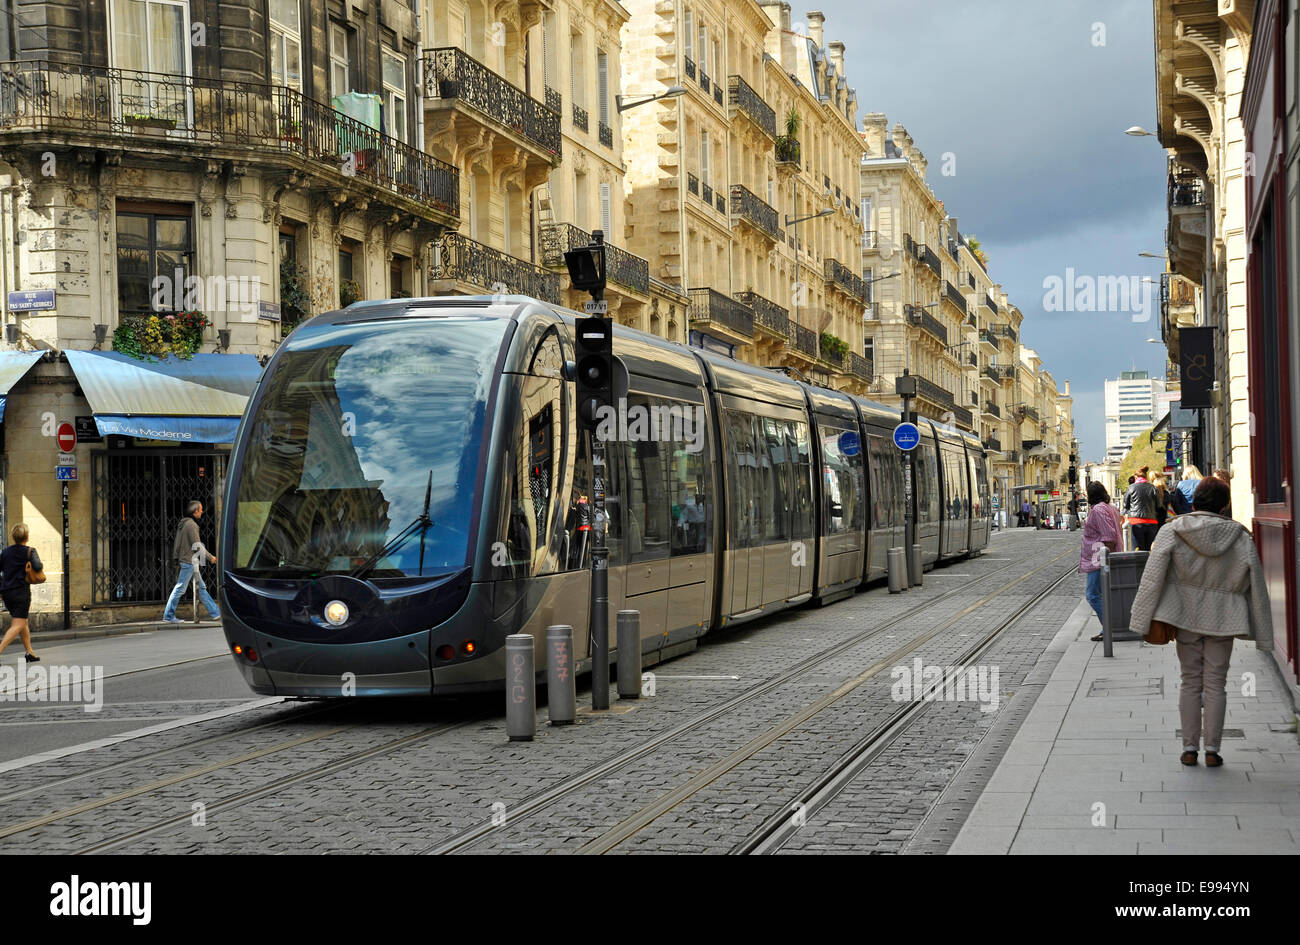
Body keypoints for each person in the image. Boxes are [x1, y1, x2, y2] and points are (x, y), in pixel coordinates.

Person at [1129, 477, 1273, 768]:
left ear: (1194, 502)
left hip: (1185, 614)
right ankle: (1213, 750)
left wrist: (1141, 617)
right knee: (1217, 684)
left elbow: (1152, 576)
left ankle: (1189, 748)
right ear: (1225, 506)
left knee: (1190, 680)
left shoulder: (1174, 531)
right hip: (1225, 616)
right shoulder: (1240, 537)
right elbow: (1256, 583)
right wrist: (1264, 633)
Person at [162, 500, 221, 623]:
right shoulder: (191, 525)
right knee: (180, 589)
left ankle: (216, 613)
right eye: (200, 509)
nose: (202, 511)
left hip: (188, 561)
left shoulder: (183, 524)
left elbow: (178, 545)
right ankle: (168, 616)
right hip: (189, 562)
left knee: (201, 588)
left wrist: (177, 558)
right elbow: (197, 545)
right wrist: (211, 558)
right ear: (195, 511)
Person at [1080, 482, 1122, 641]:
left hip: (1099, 558)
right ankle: (1107, 629)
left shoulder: (1098, 510)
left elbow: (1108, 535)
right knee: (1102, 594)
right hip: (1100, 557)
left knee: (1092, 595)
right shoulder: (1110, 507)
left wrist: (1106, 561)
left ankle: (1110, 627)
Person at [0, 524, 42, 662]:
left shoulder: (5, 552)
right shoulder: (30, 551)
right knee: (18, 624)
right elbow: (38, 566)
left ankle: (29, 652)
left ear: (13, 536)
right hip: (21, 592)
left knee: (22, 621)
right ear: (27, 537)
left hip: (6, 592)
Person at [1123, 466, 1159, 551]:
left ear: (1136, 477)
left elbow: (1126, 505)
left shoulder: (1131, 488)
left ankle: (1139, 564)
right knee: (1150, 550)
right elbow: (1158, 504)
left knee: (1138, 550)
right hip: (1151, 522)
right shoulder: (1153, 488)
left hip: (1136, 522)